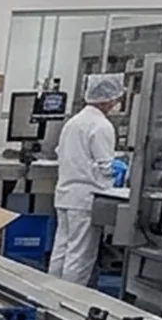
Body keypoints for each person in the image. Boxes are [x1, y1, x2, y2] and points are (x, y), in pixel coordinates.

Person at [52, 74, 124, 287]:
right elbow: (106, 166)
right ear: (109, 99)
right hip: (85, 198)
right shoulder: (102, 126)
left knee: (61, 248)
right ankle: (70, 301)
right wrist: (120, 169)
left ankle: (50, 294)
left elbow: (62, 153)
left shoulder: (73, 122)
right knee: (80, 255)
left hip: (65, 194)